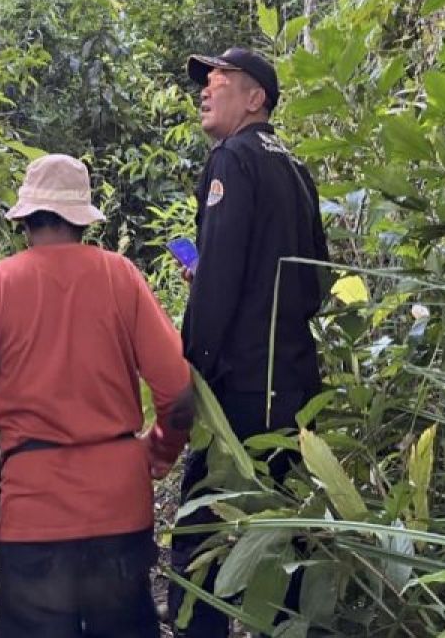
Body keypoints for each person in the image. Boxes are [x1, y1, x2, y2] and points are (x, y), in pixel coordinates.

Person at [0, 153, 195, 637]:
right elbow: (180, 395)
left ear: (26, 219)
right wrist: (158, 452)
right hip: (120, 508)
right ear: (83, 220)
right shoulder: (121, 277)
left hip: (33, 521)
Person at [169, 48, 329, 636]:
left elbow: (223, 284)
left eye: (220, 81)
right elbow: (315, 277)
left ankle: (198, 628)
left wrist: (193, 375)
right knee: (285, 526)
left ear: (255, 97)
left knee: (202, 531)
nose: (205, 91)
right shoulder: (294, 167)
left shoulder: (231, 158)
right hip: (292, 381)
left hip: (240, 386)